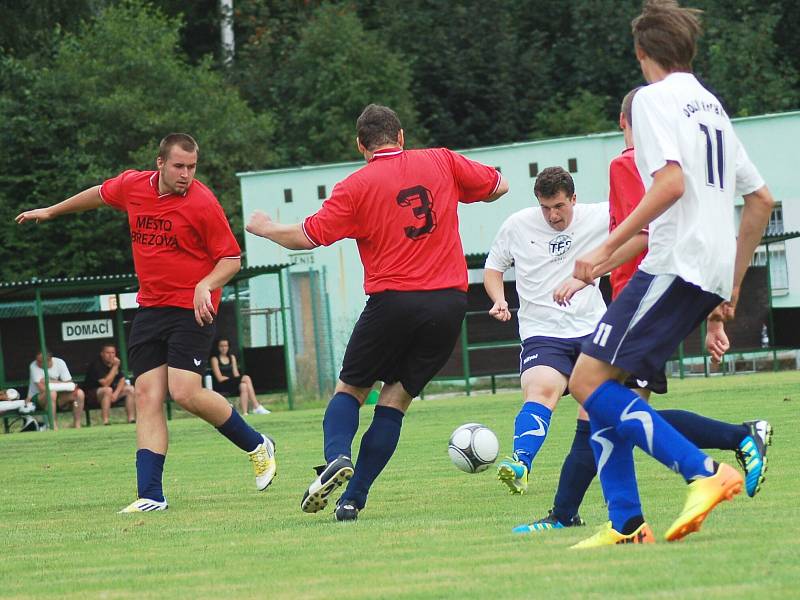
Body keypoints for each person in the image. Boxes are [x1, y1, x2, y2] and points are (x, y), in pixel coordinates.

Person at [511, 87, 772, 534]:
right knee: (608, 408)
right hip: (673, 290)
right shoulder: (696, 149)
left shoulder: (632, 161)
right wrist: (713, 315)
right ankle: (615, 520)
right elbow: (737, 212)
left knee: (598, 399)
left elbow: (648, 234)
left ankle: (713, 458)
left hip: (645, 294)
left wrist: (588, 270)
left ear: (623, 121)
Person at [565, 0, 775, 547]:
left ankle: (704, 472)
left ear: (641, 54)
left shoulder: (654, 101)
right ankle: (627, 524)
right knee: (606, 386)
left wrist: (603, 248)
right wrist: (730, 280)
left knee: (585, 380)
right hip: (702, 268)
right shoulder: (712, 107)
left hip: (671, 262)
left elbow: (670, 185)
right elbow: (760, 200)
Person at [246, 103, 508, 521]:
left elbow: (306, 237)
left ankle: (336, 456)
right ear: (401, 136)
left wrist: (266, 228)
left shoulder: (356, 186)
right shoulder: (441, 159)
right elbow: (499, 186)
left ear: (361, 146)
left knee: (350, 390)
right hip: (449, 302)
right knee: (396, 399)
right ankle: (353, 500)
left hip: (394, 302)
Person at [16, 133, 277, 513]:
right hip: (151, 308)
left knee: (184, 393)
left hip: (193, 307)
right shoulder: (134, 186)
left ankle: (257, 445)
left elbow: (231, 259)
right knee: (146, 396)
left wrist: (205, 285)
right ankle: (151, 495)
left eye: (191, 167)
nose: (186, 174)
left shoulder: (203, 202)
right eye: (179, 166)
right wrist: (52, 211)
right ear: (160, 163)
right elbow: (99, 194)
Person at [483, 166, 609, 495]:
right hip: (543, 333)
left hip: (593, 330)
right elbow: (493, 269)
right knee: (541, 391)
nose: (552, 216)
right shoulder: (517, 225)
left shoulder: (599, 215)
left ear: (574, 200)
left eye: (559, 207)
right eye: (545, 207)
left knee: (600, 408)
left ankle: (593, 488)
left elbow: (641, 224)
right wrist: (499, 300)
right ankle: (520, 462)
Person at [210, 338, 270, 415]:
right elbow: (219, 378)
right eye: (221, 346)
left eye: (226, 346)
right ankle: (256, 406)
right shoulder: (214, 359)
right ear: (218, 347)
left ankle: (245, 413)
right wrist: (234, 379)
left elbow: (236, 374)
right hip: (223, 384)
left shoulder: (232, 357)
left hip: (233, 382)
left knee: (243, 385)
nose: (224, 348)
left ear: (228, 347)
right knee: (246, 378)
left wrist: (237, 380)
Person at [27, 351, 85, 431]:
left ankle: (77, 425)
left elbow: (70, 384)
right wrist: (61, 385)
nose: (37, 363)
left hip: (57, 397)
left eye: (40, 362)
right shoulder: (33, 365)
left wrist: (49, 381)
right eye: (37, 361)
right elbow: (42, 389)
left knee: (79, 393)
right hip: (37, 399)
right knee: (51, 393)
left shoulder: (60, 362)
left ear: (50, 360)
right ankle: (53, 426)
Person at [83, 343, 136, 425]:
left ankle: (131, 419)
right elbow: (105, 383)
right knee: (107, 390)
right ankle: (105, 421)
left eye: (113, 353)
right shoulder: (96, 364)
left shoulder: (115, 363)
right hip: (92, 395)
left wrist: (116, 393)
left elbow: (122, 379)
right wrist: (115, 367)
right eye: (108, 353)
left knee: (130, 389)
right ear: (102, 354)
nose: (111, 355)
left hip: (111, 393)